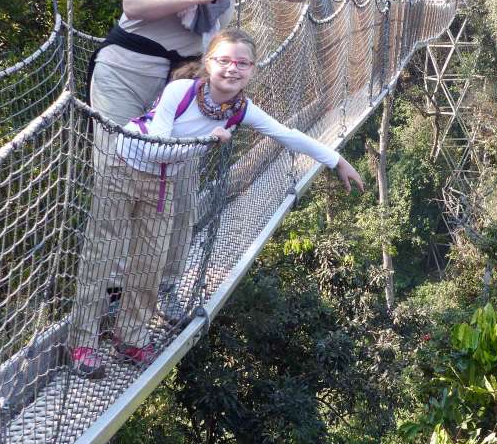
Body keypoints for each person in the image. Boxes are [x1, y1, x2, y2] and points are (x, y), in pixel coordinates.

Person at [79, 0, 312, 368]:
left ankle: (136, 318)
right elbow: (133, 1)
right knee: (115, 186)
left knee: (169, 200)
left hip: (184, 84)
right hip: (126, 69)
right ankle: (90, 323)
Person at [71, 28, 364, 377]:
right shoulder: (180, 91)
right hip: (124, 167)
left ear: (252, 69)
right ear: (208, 63)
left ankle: (129, 336)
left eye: (242, 62)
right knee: (101, 254)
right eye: (223, 60)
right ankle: (83, 344)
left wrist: (336, 160)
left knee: (150, 260)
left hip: (162, 182)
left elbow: (287, 134)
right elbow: (157, 147)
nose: (232, 69)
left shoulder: (240, 110)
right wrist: (206, 140)